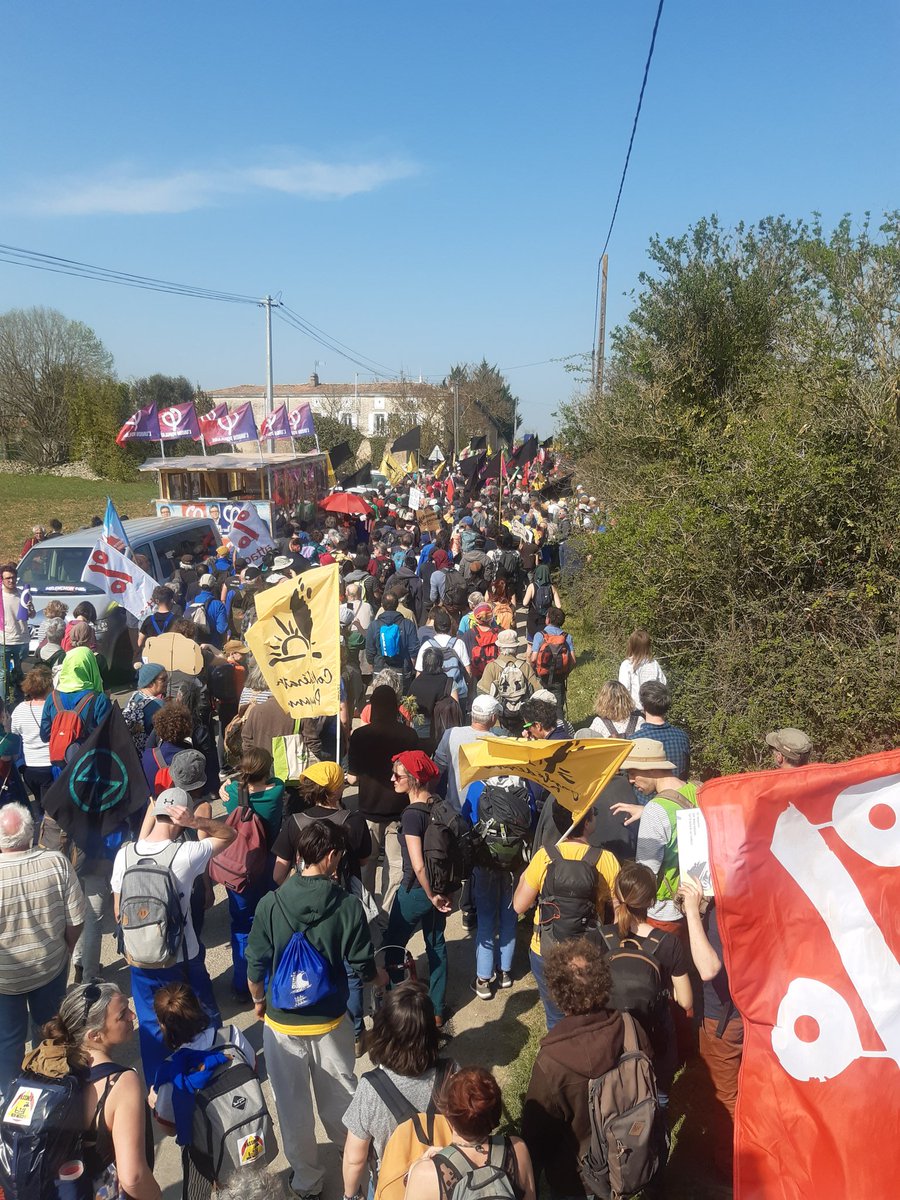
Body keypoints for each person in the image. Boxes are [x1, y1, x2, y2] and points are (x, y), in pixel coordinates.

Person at [246, 819, 386, 1200]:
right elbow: (361, 967)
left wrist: (260, 1002)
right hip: (330, 1021)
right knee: (342, 1097)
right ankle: (357, 1168)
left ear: (297, 857)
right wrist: (382, 978)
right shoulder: (346, 906)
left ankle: (307, 1181)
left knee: (292, 1109)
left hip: (281, 1024)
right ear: (330, 857)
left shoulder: (270, 904)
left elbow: (255, 966)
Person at [110, 788, 236, 1084]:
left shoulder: (124, 855)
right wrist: (198, 823)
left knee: (153, 1024)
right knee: (202, 1013)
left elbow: (119, 911)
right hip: (181, 955)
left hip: (139, 959)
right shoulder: (185, 854)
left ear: (154, 815)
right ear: (181, 818)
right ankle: (215, 1070)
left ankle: (161, 1086)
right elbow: (229, 834)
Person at [521, 938, 651, 1200]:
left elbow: (536, 1134)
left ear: (557, 994)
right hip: (628, 1154)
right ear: (603, 982)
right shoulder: (631, 1029)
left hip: (575, 1178)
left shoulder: (552, 1061)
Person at [39, 982, 160, 1199]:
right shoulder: (121, 1083)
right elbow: (133, 1177)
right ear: (95, 1036)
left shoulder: (48, 1068)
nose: (133, 1016)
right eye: (122, 1014)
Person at [513, 801, 620, 1029]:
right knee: (591, 1013)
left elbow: (519, 906)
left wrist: (525, 877)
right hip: (589, 952)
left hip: (546, 950)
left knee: (555, 1017)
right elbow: (620, 914)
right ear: (588, 822)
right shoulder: (606, 860)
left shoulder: (544, 857)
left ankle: (560, 1054)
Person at [0, 802, 84, 1090]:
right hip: (49, 966)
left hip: (4, 980)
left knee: (8, 1040)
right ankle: (46, 1087)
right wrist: (67, 949)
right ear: (32, 830)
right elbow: (76, 920)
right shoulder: (56, 862)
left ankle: (10, 1097)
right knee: (49, 1031)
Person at [342, 980, 453, 1196]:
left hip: (395, 1186)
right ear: (431, 1032)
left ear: (384, 1033)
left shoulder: (371, 1089)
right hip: (446, 1182)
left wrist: (350, 1195)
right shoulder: (451, 1072)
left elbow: (355, 1159)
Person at [151, 981, 257, 1195]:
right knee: (251, 1186)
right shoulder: (231, 1036)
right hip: (244, 1131)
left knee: (197, 1192)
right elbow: (251, 1067)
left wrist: (153, 1102)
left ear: (163, 1025)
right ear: (198, 1006)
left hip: (202, 1150)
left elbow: (169, 1127)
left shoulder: (172, 1071)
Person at [606, 860, 692, 1103]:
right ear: (652, 902)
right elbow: (685, 1000)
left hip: (611, 1036)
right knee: (659, 1097)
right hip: (654, 1038)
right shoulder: (668, 943)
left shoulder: (600, 938)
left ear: (616, 895)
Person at [679, 874, 743, 1179]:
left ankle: (731, 1168)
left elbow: (709, 968)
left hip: (724, 1019)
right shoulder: (751, 899)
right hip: (753, 1013)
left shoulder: (723, 914)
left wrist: (693, 912)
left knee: (726, 1098)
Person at [384, 751, 453, 1026]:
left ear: (412, 780)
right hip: (439, 886)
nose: (392, 779)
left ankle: (397, 1008)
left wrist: (429, 895)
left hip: (416, 890)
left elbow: (418, 864)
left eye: (397, 775)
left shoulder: (412, 815)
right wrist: (438, 893)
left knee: (392, 945)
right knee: (435, 943)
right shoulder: (438, 805)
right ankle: (436, 1011)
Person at [404, 1066, 536, 1200]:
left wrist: (417, 1166)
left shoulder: (426, 1174)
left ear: (447, 1113)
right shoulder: (517, 1149)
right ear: (496, 1114)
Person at [611, 739, 698, 936]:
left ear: (651, 769)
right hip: (692, 901)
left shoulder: (656, 811)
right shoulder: (694, 790)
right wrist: (646, 810)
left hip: (663, 911)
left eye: (633, 773)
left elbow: (645, 874)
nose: (631, 780)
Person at [348, 685, 419, 921]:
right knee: (396, 867)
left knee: (366, 866)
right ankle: (386, 916)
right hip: (400, 810)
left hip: (368, 809)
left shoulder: (360, 736)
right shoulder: (408, 735)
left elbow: (354, 775)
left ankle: (366, 914)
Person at [219, 747, 284, 1000]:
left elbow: (231, 785)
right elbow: (276, 780)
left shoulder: (231, 793)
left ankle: (242, 982)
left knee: (241, 924)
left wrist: (226, 783)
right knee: (267, 923)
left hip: (239, 865)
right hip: (267, 864)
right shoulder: (276, 791)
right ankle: (265, 983)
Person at [40, 645, 112, 768]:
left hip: (60, 767)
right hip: (90, 766)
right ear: (91, 666)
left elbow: (44, 735)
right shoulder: (99, 699)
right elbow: (109, 737)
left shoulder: (52, 698)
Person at [434, 693, 500, 812]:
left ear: (472, 715)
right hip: (484, 814)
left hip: (453, 812)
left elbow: (436, 770)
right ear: (493, 718)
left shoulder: (450, 734)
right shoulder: (499, 743)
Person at [11, 665, 54, 822]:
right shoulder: (54, 707)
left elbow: (15, 735)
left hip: (29, 768)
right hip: (50, 764)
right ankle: (49, 836)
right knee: (52, 809)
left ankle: (42, 827)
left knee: (39, 802)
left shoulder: (19, 710)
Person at [631, 681, 691, 780]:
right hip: (677, 793)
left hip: (645, 795)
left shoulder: (635, 740)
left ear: (643, 705)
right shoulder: (682, 737)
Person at [415, 609, 471, 706]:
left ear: (434, 628)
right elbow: (468, 671)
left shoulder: (427, 645)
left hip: (434, 694)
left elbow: (419, 673)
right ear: (450, 627)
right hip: (458, 694)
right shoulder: (459, 643)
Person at [409, 644, 458, 743]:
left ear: (424, 662)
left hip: (419, 732)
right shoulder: (448, 682)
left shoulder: (415, 682)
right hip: (442, 733)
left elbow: (409, 709)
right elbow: (455, 706)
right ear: (440, 662)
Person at [141, 700, 194, 793]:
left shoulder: (148, 755)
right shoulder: (191, 756)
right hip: (182, 805)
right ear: (188, 727)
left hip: (155, 805)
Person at [122, 662, 169, 755]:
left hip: (133, 754)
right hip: (151, 754)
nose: (167, 682)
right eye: (163, 679)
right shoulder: (158, 705)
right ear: (150, 682)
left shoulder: (133, 697)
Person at [0, 562, 34, 689]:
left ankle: (20, 702)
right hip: (4, 641)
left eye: (13, 577)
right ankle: (4, 705)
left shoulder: (23, 594)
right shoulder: (0, 596)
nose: (11, 580)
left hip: (22, 641)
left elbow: (32, 615)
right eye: (7, 578)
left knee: (21, 674)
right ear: (2, 579)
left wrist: (30, 608)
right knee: (3, 675)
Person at [618, 630, 667, 709]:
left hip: (635, 710)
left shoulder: (627, 664)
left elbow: (624, 689)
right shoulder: (654, 663)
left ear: (632, 645)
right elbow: (663, 683)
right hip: (653, 709)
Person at [188, 573, 229, 647]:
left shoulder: (190, 603)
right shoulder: (218, 605)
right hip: (213, 646)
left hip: (194, 645)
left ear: (200, 586)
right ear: (213, 586)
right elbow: (221, 629)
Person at [522, 564, 559, 642]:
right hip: (546, 619)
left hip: (533, 619)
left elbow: (525, 603)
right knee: (544, 644)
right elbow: (559, 605)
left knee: (530, 644)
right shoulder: (551, 587)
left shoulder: (532, 586)